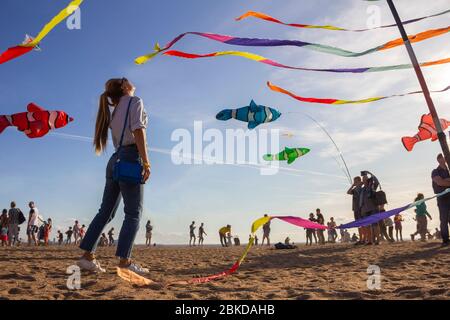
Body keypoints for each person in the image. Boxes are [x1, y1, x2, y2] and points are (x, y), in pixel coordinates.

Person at [78, 78, 151, 274]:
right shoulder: (134, 101)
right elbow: (138, 130)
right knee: (133, 213)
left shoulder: (115, 109)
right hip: (129, 157)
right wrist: (146, 161)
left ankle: (86, 257)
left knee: (105, 212)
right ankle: (125, 262)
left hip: (115, 160)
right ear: (125, 87)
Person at [431, 153, 450, 246]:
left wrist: (446, 180)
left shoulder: (449, 170)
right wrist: (445, 181)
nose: (445, 158)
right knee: (444, 219)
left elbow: (444, 182)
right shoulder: (435, 171)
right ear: (439, 159)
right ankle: (445, 240)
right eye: (443, 157)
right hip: (442, 198)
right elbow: (440, 182)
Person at [359, 174, 380, 245]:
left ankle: (378, 240)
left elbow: (377, 182)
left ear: (368, 179)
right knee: (367, 225)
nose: (364, 180)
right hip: (365, 209)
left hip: (373, 207)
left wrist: (371, 174)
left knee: (375, 224)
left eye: (365, 179)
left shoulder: (372, 186)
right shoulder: (362, 189)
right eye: (363, 179)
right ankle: (370, 241)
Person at [347, 177, 364, 244]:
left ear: (359, 181)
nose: (355, 183)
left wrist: (360, 184)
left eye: (356, 181)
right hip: (355, 209)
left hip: (360, 208)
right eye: (354, 181)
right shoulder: (354, 190)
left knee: (363, 224)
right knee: (358, 224)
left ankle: (364, 238)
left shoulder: (362, 189)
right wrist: (352, 186)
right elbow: (348, 192)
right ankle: (361, 238)